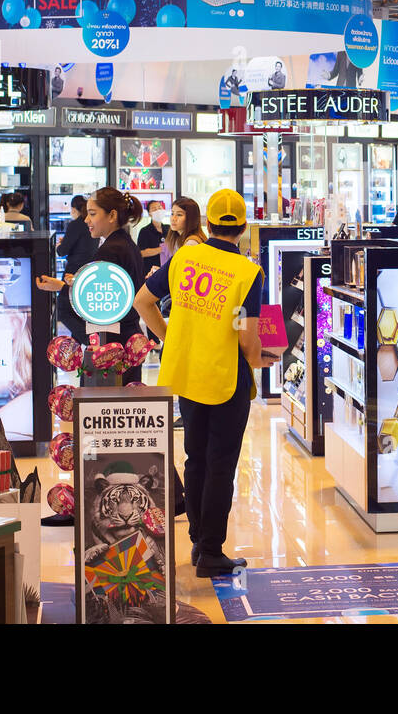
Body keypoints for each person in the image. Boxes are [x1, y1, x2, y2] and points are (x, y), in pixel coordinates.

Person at [133, 189, 276, 577]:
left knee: (195, 457)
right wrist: (258, 359)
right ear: (244, 227)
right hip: (226, 379)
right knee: (220, 463)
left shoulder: (186, 257)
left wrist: (170, 337)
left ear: (208, 224)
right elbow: (246, 336)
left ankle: (198, 540)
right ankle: (211, 551)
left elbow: (142, 302)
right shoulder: (248, 273)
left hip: (187, 374)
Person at [36, 188, 145, 384]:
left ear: (111, 215)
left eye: (92, 214)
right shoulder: (123, 244)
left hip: (111, 346)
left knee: (105, 408)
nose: (86, 220)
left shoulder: (110, 251)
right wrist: (65, 285)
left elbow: (98, 304)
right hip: (124, 340)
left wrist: (64, 289)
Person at [54, 195, 94, 344]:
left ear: (73, 209)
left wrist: (59, 246)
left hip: (73, 272)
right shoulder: (88, 225)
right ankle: (76, 351)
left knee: (63, 310)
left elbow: (62, 251)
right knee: (78, 313)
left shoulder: (75, 225)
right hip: (87, 271)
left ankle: (91, 341)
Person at [163, 196, 207, 267]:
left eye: (179, 215)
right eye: (172, 213)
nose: (173, 218)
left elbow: (183, 271)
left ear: (191, 218)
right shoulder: (178, 238)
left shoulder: (192, 243)